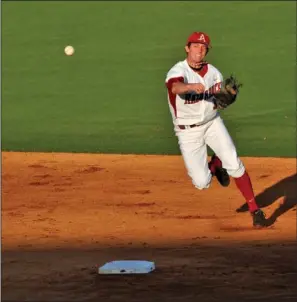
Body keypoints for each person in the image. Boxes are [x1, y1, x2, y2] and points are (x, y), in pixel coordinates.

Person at [165, 31, 267, 228]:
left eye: (203, 47)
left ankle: (255, 209)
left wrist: (227, 99)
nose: (199, 49)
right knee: (202, 183)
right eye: (195, 45)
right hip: (187, 132)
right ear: (187, 48)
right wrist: (190, 87)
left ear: (206, 51)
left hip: (212, 124)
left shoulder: (214, 74)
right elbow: (175, 87)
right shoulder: (178, 71)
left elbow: (217, 103)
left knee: (235, 163)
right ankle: (215, 166)